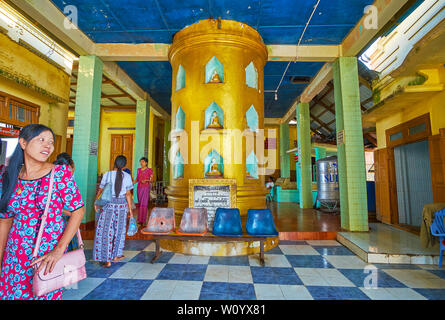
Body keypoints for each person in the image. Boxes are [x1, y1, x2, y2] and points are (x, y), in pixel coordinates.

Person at [0, 124, 85, 300]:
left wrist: (58, 250)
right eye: (41, 140)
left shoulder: (59, 174)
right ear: (23, 143)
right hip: (14, 256)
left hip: (45, 259)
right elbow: (5, 221)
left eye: (51, 142)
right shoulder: (8, 176)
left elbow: (78, 211)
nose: (48, 146)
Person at [93, 155, 134, 267]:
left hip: (108, 205)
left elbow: (100, 190)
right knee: (119, 231)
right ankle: (116, 255)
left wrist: (96, 202)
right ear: (124, 165)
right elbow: (128, 194)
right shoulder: (127, 176)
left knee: (105, 231)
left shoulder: (108, 174)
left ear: (114, 163)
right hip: (122, 206)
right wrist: (130, 210)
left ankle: (106, 259)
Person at [133, 157, 153, 225]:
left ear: (146, 163)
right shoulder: (138, 170)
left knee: (143, 204)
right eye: (140, 162)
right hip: (139, 188)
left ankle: (143, 220)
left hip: (145, 188)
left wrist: (146, 180)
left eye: (143, 162)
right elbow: (137, 179)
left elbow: (152, 180)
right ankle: (139, 219)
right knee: (140, 203)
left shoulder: (149, 170)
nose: (141, 163)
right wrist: (130, 183)